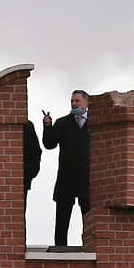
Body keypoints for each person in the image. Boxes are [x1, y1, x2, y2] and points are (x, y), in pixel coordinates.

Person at [42, 90, 91, 246]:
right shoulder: (63, 123)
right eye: (72, 101)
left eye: (77, 101)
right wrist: (47, 126)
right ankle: (60, 252)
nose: (74, 104)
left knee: (90, 221)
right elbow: (49, 144)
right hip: (66, 179)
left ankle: (90, 250)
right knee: (62, 222)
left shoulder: (96, 123)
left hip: (88, 180)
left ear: (86, 103)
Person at [23, 120, 42, 210]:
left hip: (23, 178)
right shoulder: (28, 125)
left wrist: (30, 173)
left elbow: (36, 151)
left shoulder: (27, 125)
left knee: (18, 213)